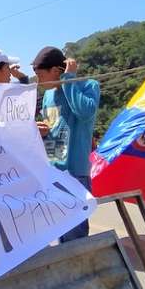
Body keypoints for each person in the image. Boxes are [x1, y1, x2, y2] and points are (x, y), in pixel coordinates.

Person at [32, 46, 99, 242]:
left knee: (75, 232)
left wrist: (69, 79)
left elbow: (85, 112)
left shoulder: (88, 86)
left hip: (76, 172)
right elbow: (51, 128)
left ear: (55, 71)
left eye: (40, 75)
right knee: (59, 229)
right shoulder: (48, 96)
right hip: (54, 171)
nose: (38, 81)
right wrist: (40, 132)